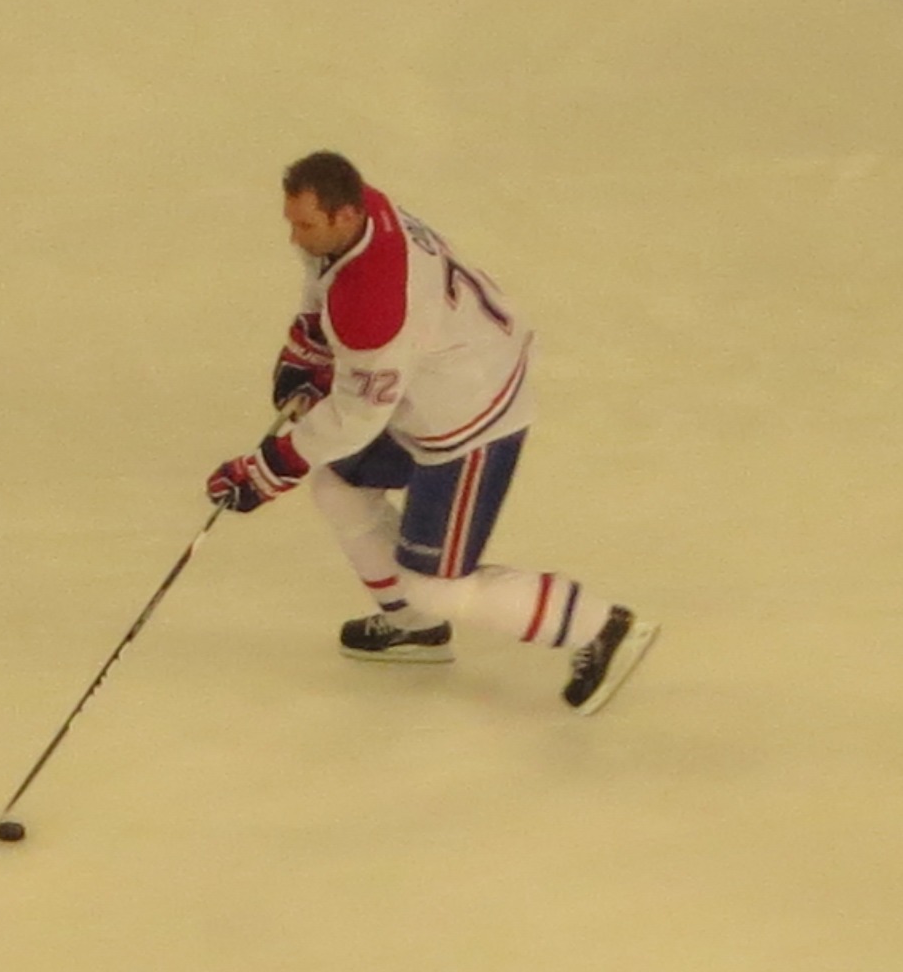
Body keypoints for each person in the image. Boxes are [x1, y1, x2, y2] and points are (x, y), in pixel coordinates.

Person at [205, 151, 658, 715]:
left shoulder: (374, 303)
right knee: (338, 487)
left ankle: (602, 627)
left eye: (306, 225)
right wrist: (309, 350)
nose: (295, 237)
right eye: (291, 221)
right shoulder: (362, 215)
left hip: (470, 418)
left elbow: (356, 415)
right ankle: (413, 626)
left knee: (437, 585)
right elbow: (323, 279)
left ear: (345, 214)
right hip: (436, 374)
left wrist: (266, 471)